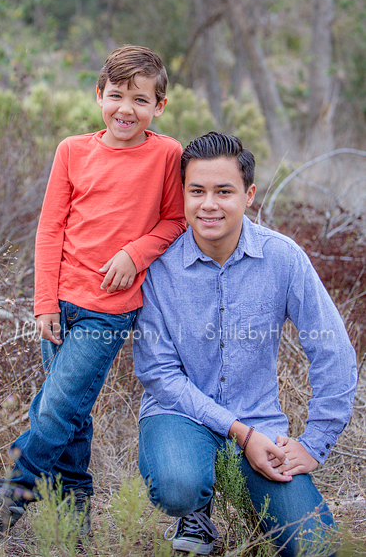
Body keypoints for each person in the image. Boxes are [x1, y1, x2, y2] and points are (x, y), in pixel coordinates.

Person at [0, 45, 186, 541]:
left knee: (54, 408)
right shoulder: (72, 150)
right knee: (70, 413)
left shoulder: (166, 154)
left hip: (109, 309)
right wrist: (44, 302)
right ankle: (74, 521)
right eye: (116, 95)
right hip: (61, 306)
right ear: (98, 95)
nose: (125, 109)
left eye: (140, 99)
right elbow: (50, 229)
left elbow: (175, 220)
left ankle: (6, 502)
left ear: (158, 106)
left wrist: (134, 254)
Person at [133, 131, 357, 557]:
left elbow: (333, 350)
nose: (209, 204)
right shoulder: (160, 269)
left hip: (259, 421)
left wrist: (314, 443)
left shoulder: (283, 258)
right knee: (179, 484)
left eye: (224, 191)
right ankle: (195, 508)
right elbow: (159, 375)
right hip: (179, 415)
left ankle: (254, 499)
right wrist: (240, 432)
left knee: (318, 549)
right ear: (182, 194)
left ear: (249, 194)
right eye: (197, 191)